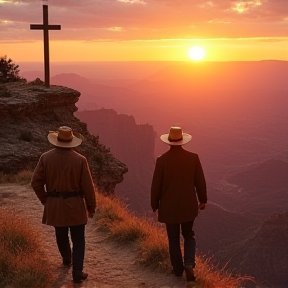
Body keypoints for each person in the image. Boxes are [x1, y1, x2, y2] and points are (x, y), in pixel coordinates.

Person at [31, 126, 96, 284]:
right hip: (75, 205)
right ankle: (77, 272)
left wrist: (45, 199)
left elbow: (35, 182)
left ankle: (67, 259)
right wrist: (91, 206)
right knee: (79, 238)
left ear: (57, 140)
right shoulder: (80, 160)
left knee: (60, 234)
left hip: (55, 205)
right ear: (71, 142)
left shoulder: (45, 158)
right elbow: (88, 187)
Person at [150, 126, 207, 283]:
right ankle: (189, 263)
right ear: (182, 141)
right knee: (188, 234)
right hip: (188, 205)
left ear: (169, 142)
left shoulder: (162, 160)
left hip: (169, 207)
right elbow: (200, 181)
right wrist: (203, 200)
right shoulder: (193, 158)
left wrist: (154, 204)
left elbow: (156, 185)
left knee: (173, 238)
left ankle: (177, 271)